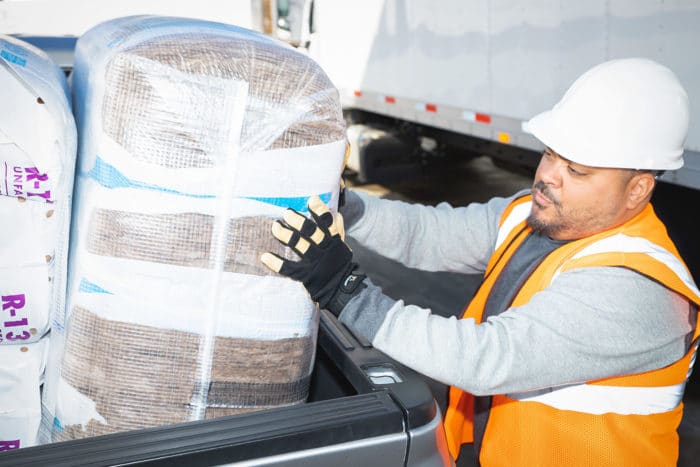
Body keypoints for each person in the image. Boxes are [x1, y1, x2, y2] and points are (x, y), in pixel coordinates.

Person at [261, 58, 700, 466]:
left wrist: (345, 291)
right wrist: (343, 205)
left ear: (638, 189)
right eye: (551, 153)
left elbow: (485, 359)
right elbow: (429, 234)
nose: (548, 175)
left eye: (578, 170)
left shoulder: (639, 289)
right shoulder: (535, 215)